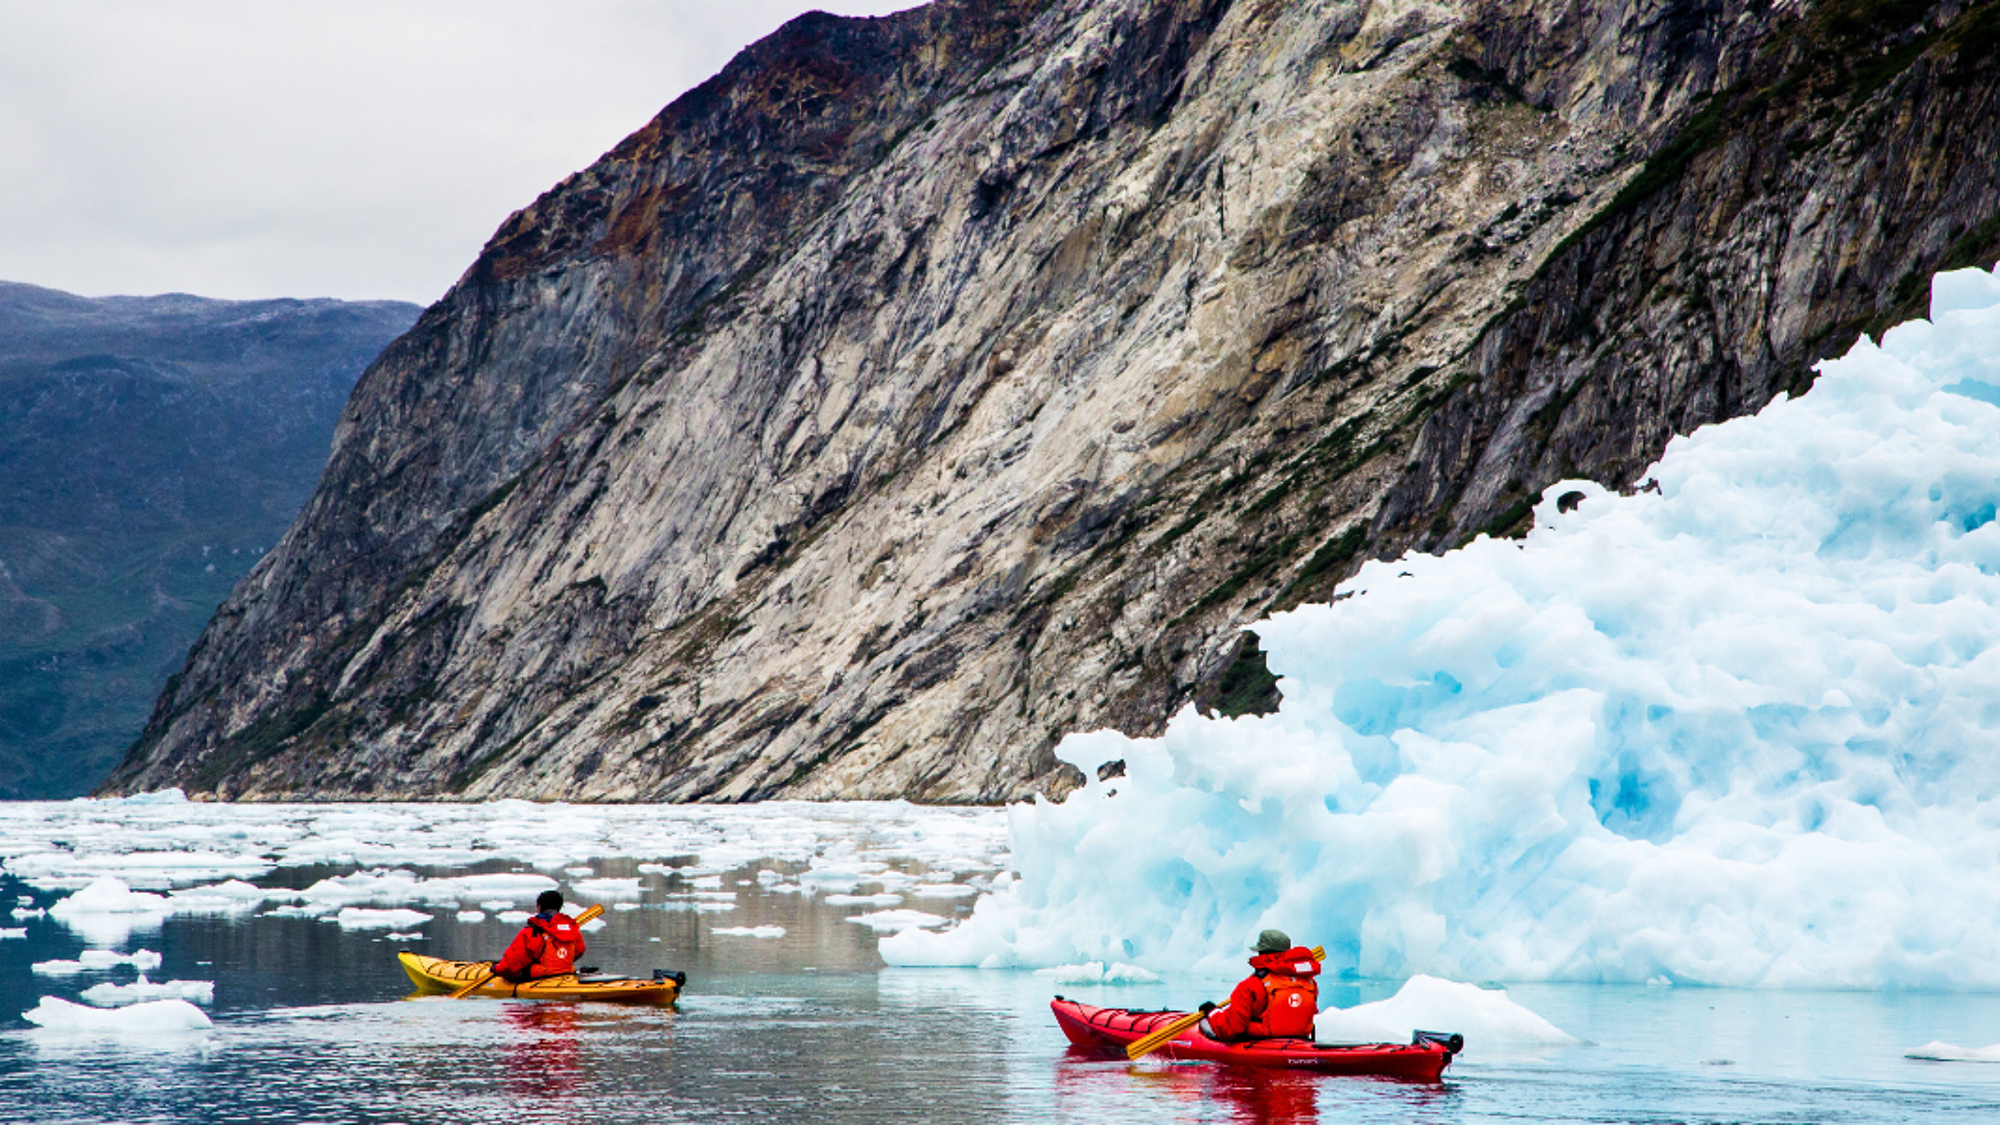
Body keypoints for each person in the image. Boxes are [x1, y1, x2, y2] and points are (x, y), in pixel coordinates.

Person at [1198, 928, 1320, 1041]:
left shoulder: (1252, 984)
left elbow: (1229, 1029)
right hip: (1299, 1041)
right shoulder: (1309, 982)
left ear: (1261, 952)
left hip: (1260, 1042)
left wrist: (1212, 1011)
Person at [493, 890, 587, 983]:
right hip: (566, 974)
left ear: (539, 907)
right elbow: (579, 950)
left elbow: (510, 965)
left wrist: (495, 968)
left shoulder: (532, 931)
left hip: (538, 977)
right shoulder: (572, 930)